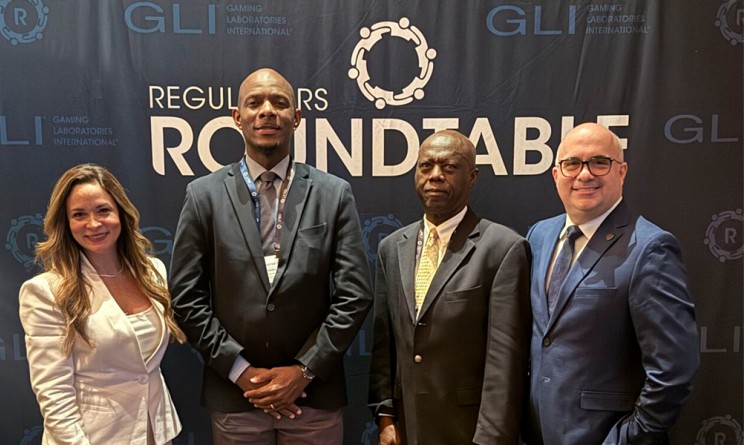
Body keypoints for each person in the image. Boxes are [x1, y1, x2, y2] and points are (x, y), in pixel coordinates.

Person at [169, 67, 372, 444]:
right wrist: (240, 371)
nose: (267, 111)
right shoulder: (203, 196)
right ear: (237, 117)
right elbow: (186, 298)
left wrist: (305, 371)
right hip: (236, 395)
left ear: (296, 117)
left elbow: (355, 295)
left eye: (279, 103)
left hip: (312, 395)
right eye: (255, 103)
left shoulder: (333, 193)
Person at [524, 123, 700, 445]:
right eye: (572, 163)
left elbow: (673, 370)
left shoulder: (650, 247)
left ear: (622, 172)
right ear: (556, 174)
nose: (585, 174)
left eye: (599, 162)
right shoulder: (539, 235)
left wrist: (627, 439)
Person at [368, 130, 532, 445]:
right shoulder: (392, 247)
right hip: (407, 428)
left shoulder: (503, 248)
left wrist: (490, 439)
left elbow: (505, 362)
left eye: (449, 167)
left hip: (469, 431)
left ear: (472, 177)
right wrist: (385, 416)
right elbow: (384, 344)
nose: (435, 175)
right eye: (425, 166)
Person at [19, 163, 186, 444]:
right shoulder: (46, 291)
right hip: (92, 437)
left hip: (156, 430)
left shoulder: (153, 271)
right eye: (79, 215)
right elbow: (53, 391)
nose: (94, 224)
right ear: (66, 223)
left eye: (103, 210)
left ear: (121, 212)